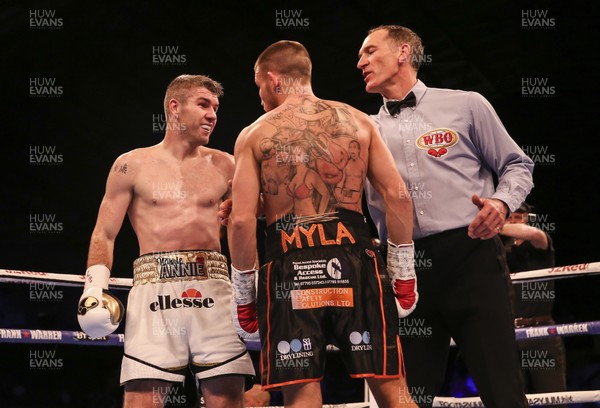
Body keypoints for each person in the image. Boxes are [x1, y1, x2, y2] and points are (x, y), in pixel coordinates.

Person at [227, 40, 418, 408]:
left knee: (302, 395)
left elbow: (240, 222)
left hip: (289, 268)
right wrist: (403, 273)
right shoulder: (360, 122)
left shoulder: (254, 134)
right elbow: (399, 196)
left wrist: (244, 296)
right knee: (395, 394)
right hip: (357, 263)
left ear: (272, 79)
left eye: (259, 87)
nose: (261, 96)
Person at [357, 25, 535, 407]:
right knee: (409, 397)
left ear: (403, 52)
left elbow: (518, 164)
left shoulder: (466, 104)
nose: (361, 62)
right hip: (404, 267)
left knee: (502, 388)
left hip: (471, 254)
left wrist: (501, 204)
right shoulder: (362, 130)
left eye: (370, 51)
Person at [77, 74, 255, 408]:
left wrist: (251, 286)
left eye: (215, 107)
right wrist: (94, 289)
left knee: (227, 399)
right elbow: (105, 232)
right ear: (174, 107)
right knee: (142, 399)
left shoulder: (227, 165)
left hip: (214, 288)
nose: (212, 114)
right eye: (203, 104)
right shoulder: (131, 165)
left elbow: (248, 226)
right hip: (153, 288)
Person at [500, 203, 567, 405]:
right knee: (510, 399)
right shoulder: (498, 250)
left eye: (518, 217)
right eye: (509, 217)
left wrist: (493, 224)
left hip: (541, 333)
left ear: (528, 218)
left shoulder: (540, 243)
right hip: (507, 334)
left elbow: (534, 235)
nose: (513, 221)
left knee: (552, 398)